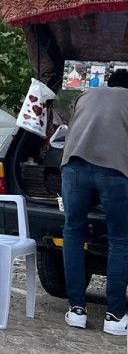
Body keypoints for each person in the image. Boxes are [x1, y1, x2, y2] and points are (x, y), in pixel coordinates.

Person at [61, 67, 128, 336]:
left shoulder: (86, 95)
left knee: (73, 232)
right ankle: (115, 316)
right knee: (120, 239)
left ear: (109, 83)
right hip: (114, 172)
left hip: (74, 168)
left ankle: (76, 310)